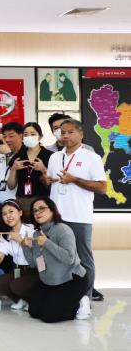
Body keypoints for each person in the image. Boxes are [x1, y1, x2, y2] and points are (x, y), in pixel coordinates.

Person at [43, 118, 106, 306]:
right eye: (63, 132)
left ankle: (85, 300)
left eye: (71, 132)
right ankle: (63, 297)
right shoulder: (55, 157)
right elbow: (52, 183)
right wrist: (46, 180)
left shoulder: (91, 157)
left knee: (84, 260)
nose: (66, 136)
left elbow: (102, 187)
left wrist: (74, 179)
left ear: (81, 134)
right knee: (56, 258)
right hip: (55, 218)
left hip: (79, 216)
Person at [23, 197, 89, 322]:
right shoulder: (37, 234)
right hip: (51, 280)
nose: (37, 212)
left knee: (49, 317)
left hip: (71, 279)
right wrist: (25, 246)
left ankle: (80, 302)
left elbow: (69, 258)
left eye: (42, 208)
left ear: (52, 210)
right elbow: (34, 263)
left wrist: (46, 243)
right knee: (34, 311)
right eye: (35, 210)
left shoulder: (63, 229)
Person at [0, 200, 38, 311]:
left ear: (20, 213)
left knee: (16, 285)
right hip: (18, 271)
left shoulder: (31, 229)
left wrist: (21, 240)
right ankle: (21, 299)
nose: (8, 216)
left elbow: (38, 256)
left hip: (34, 270)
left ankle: (32, 300)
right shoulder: (5, 235)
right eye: (4, 214)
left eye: (11, 211)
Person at [7, 122, 53, 215]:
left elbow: (52, 185)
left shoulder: (50, 155)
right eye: (26, 135)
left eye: (33, 134)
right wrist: (14, 169)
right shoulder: (18, 156)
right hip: (22, 200)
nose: (29, 137)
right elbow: (11, 186)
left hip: (42, 200)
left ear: (40, 136)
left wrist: (43, 169)